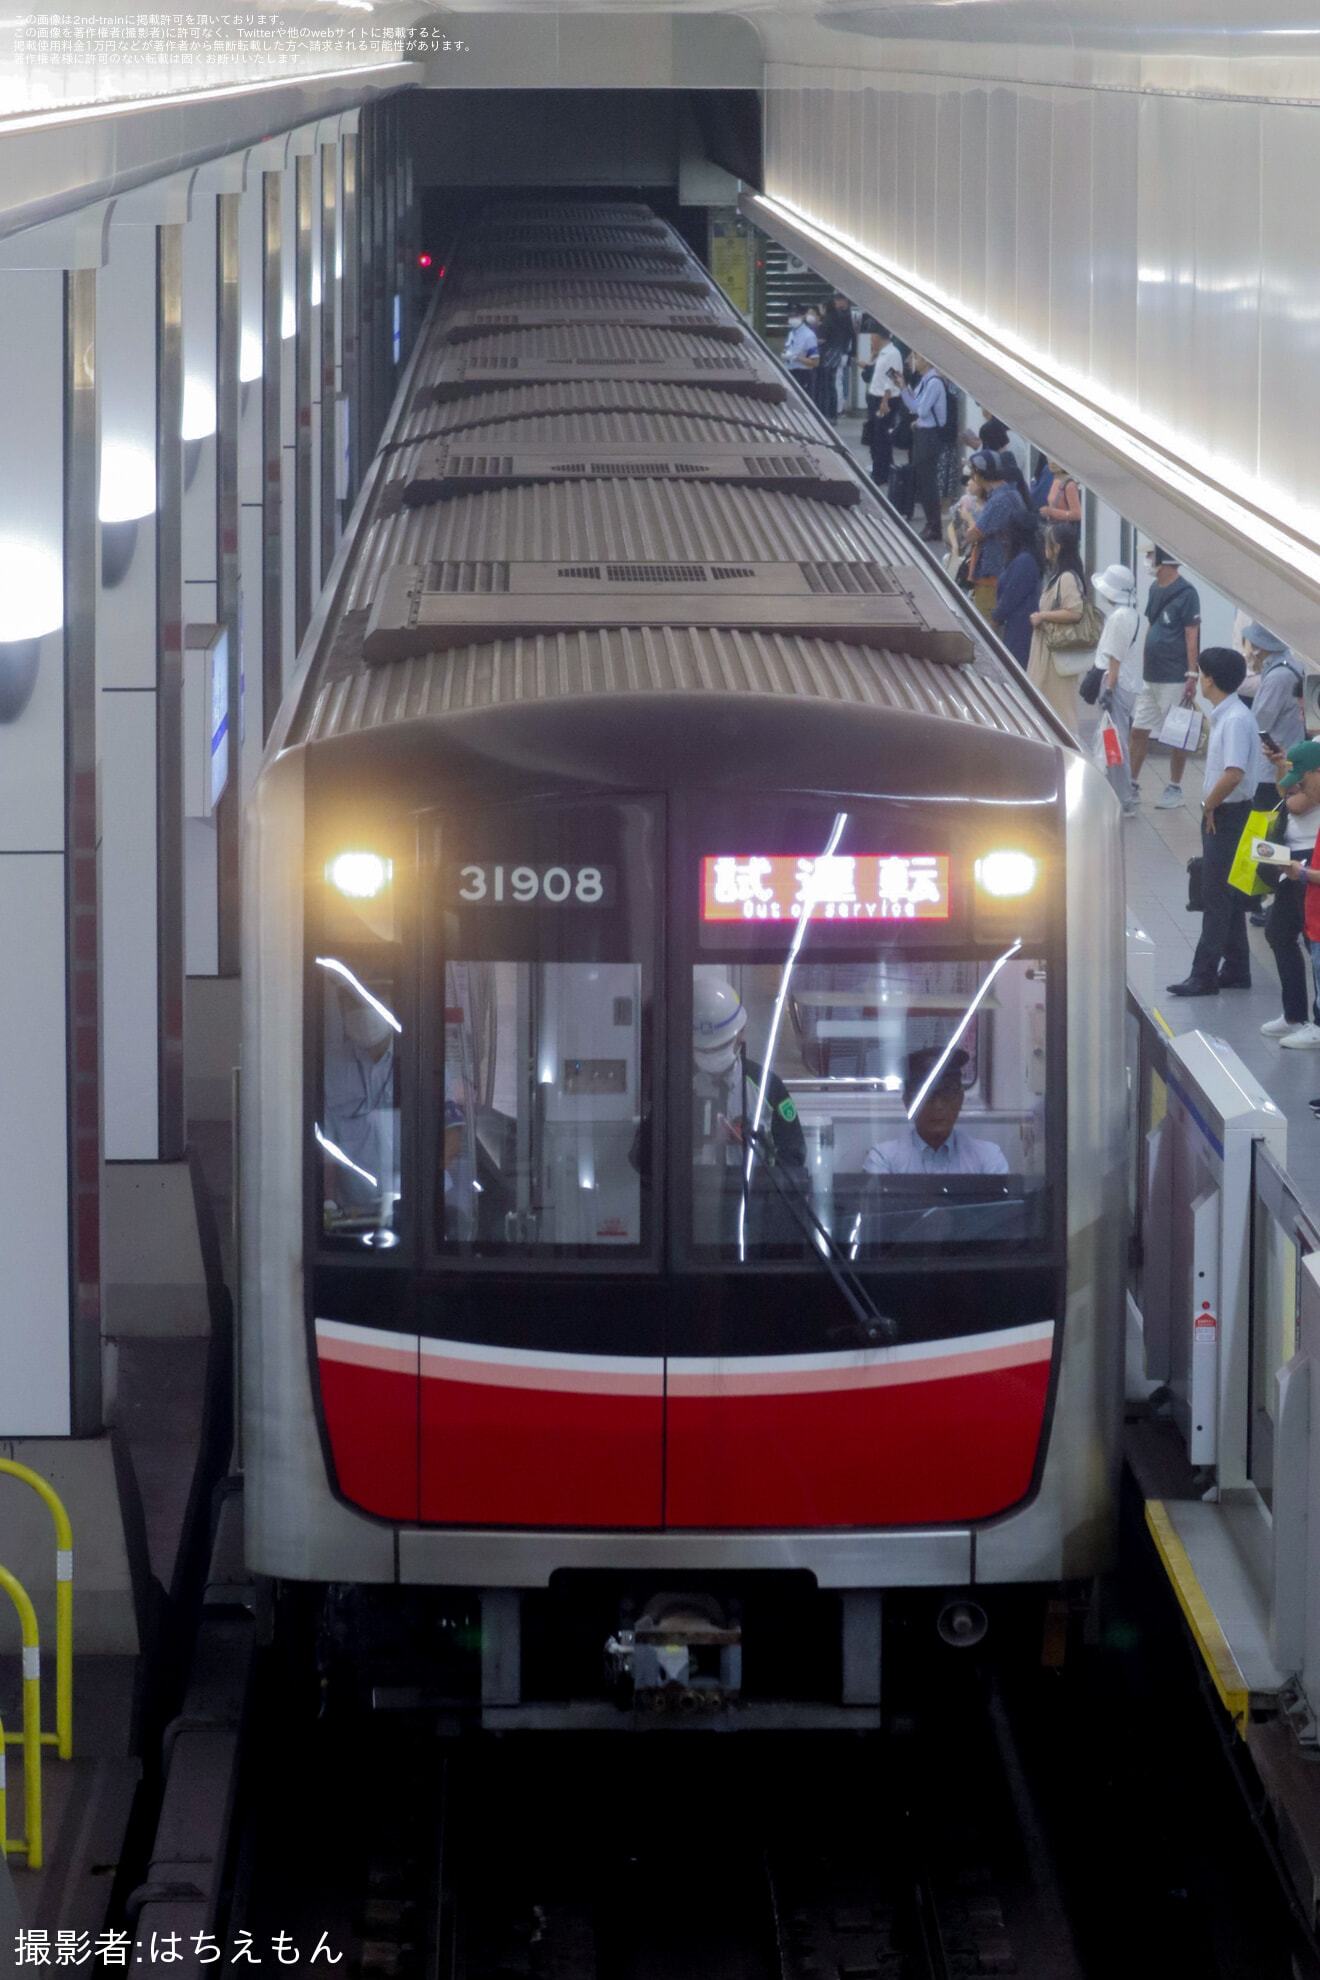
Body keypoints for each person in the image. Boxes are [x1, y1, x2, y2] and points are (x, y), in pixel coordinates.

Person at [1167, 647, 1265, 997]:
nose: (1197, 677)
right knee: (1229, 895)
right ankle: (1237, 968)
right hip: (1226, 813)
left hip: (1227, 815)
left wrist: (1209, 804)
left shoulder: (1236, 719)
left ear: (1209, 679)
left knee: (1215, 897)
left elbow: (1234, 772)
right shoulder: (1230, 715)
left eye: (1199, 672)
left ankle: (1203, 974)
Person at [692, 976, 806, 1171]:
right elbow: (641, 1157)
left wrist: (759, 1150)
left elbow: (793, 1157)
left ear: (741, 1033)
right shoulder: (675, 1086)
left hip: (753, 1195)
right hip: (690, 1195)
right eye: (705, 1050)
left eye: (719, 1047)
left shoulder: (768, 1088)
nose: (712, 1058)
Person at [1128, 548, 1202, 810]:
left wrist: (1192, 673)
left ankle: (1174, 787)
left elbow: (1191, 634)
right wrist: (1144, 662)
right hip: (1152, 676)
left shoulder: (1187, 593)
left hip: (1174, 675)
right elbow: (1151, 624)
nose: (1149, 561)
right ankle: (1132, 783)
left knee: (1176, 733)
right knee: (1138, 729)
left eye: (1152, 557)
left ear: (1164, 561)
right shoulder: (1154, 589)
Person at [864, 1047, 1009, 1176]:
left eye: (947, 1093)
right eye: (927, 1095)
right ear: (908, 1103)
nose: (938, 1106)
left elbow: (1002, 1206)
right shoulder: (883, 1159)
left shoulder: (988, 1157)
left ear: (960, 1100)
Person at [1260, 737, 1320, 1046]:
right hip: (1296, 852)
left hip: (1311, 853)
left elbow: (1295, 803)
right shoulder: (1309, 748)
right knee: (1279, 931)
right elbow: (1286, 790)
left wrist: (1290, 788)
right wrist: (1284, 768)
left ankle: (1317, 1022)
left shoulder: (1315, 759)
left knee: (1315, 941)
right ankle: (1295, 1015)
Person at [1092, 563, 1144, 817]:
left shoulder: (1118, 617)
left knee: (1114, 742)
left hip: (1117, 685)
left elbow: (1114, 657)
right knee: (1115, 740)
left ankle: (1121, 798)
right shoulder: (1131, 614)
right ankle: (1118, 795)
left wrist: (1108, 688)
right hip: (1127, 685)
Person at [1026, 521, 1088, 731]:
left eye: (1048, 543)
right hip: (1047, 653)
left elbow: (1075, 611)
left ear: (1057, 547)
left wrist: (1043, 616)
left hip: (1055, 658)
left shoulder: (1067, 578)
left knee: (1058, 708)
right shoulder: (1059, 576)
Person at [962, 449, 1027, 619]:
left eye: (974, 474)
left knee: (986, 624)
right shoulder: (1013, 494)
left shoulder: (998, 501)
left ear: (981, 475)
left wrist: (969, 519)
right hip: (1007, 570)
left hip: (992, 575)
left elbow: (973, 535)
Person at [889, 351, 947, 542]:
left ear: (928, 361)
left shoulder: (934, 383)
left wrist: (919, 417)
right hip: (923, 434)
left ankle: (934, 525)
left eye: (919, 358)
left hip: (930, 436)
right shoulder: (925, 381)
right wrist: (904, 388)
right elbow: (914, 407)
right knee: (922, 480)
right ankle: (931, 523)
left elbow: (921, 410)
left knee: (928, 482)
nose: (915, 362)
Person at [1244, 621, 1305, 763]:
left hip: (1272, 765)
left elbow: (1260, 722)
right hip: (1286, 754)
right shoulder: (1290, 664)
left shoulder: (1277, 677)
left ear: (1262, 646)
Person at [989, 512, 1043, 668]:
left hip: (1020, 628)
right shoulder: (1027, 557)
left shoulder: (1024, 561)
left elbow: (1010, 598)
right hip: (1020, 625)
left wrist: (995, 618)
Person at [859, 319, 904, 487]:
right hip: (875, 398)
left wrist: (885, 401)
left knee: (882, 437)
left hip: (884, 401)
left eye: (872, 337)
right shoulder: (883, 353)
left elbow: (892, 380)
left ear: (879, 337)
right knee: (875, 436)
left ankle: (881, 474)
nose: (870, 340)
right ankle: (879, 469)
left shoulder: (892, 354)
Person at [818, 295, 855, 422]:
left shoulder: (827, 320)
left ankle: (829, 411)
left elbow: (822, 338)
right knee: (835, 383)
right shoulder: (839, 318)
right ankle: (835, 411)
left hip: (828, 354)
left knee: (828, 384)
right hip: (838, 353)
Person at [782, 302, 819, 394]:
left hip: (804, 374)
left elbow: (815, 362)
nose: (792, 318)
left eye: (796, 315)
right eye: (790, 316)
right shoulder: (791, 334)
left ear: (803, 316)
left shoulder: (808, 335)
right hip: (790, 372)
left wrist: (796, 358)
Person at [1038, 460, 1082, 526]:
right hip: (1054, 528)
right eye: (1049, 459)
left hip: (1064, 530)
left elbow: (1077, 514)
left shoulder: (1069, 485)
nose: (1052, 462)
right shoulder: (1055, 480)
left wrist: (1051, 512)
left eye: (1056, 460)